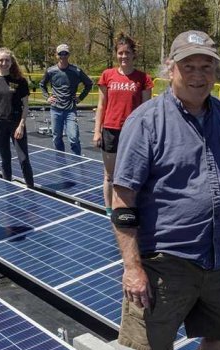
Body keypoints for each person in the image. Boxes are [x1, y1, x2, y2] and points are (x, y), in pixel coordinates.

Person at [111, 30, 220, 350]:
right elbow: (122, 197)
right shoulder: (146, 122)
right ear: (170, 69)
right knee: (157, 341)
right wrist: (132, 267)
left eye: (206, 66)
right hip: (165, 259)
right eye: (188, 66)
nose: (198, 75)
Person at [93, 33, 153, 217]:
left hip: (133, 132)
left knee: (133, 175)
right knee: (109, 175)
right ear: (116, 54)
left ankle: (130, 208)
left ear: (133, 54)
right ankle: (109, 210)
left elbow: (146, 110)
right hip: (111, 130)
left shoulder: (143, 78)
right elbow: (101, 105)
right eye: (120, 53)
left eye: (127, 53)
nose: (123, 56)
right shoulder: (107, 75)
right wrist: (97, 131)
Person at [0, 47, 34, 187]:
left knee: (23, 158)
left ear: (12, 62)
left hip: (16, 124)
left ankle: (31, 187)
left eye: (7, 60)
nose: (4, 63)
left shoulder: (20, 81)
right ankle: (8, 189)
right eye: (1, 60)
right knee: (5, 159)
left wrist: (21, 125)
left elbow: (26, 106)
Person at [39, 43, 93, 155]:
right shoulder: (50, 71)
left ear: (69, 55)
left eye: (65, 54)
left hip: (70, 110)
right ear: (56, 55)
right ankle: (60, 160)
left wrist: (80, 98)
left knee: (73, 137)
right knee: (56, 138)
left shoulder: (76, 71)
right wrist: (47, 97)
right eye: (60, 54)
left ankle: (77, 160)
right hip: (55, 109)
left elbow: (89, 84)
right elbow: (42, 84)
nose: (63, 56)